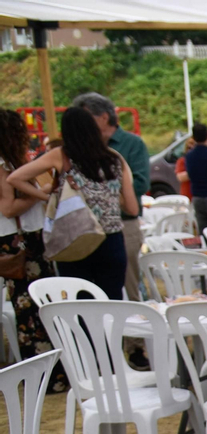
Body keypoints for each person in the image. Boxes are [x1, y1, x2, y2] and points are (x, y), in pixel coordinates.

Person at [8, 107, 137, 301]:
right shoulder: (115, 158)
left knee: (81, 304)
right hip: (112, 241)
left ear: (65, 132)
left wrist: (47, 197)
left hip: (75, 237)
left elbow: (15, 178)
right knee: (111, 303)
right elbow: (132, 208)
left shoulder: (62, 155)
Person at [0, 108, 61, 382]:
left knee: (34, 305)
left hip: (23, 238)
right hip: (20, 241)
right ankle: (45, 372)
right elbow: (9, 207)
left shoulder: (12, 163)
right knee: (32, 307)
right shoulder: (3, 164)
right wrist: (39, 197)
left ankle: (45, 369)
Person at [71, 93, 146, 300]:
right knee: (89, 290)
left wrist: (104, 196)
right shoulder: (77, 150)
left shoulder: (130, 144)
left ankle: (133, 331)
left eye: (87, 118)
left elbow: (141, 182)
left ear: (103, 117)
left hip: (123, 224)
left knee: (128, 287)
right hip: (86, 228)